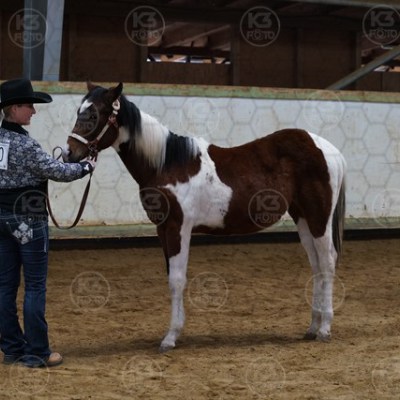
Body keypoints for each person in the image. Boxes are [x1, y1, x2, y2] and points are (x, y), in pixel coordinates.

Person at [0, 78, 95, 368]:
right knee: (34, 286)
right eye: (29, 106)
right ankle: (38, 352)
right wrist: (85, 166)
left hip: (2, 219)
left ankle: (12, 347)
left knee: (5, 286)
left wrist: (61, 160)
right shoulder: (26, 145)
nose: (33, 111)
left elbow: (43, 166)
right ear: (14, 108)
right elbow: (57, 172)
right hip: (29, 222)